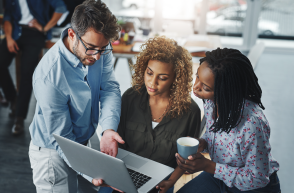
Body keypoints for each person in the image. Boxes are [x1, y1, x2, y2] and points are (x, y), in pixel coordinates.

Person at [29, 0, 125, 192]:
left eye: (103, 49)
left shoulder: (98, 45)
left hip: (83, 144)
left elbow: (109, 88)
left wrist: (107, 129)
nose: (97, 56)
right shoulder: (49, 77)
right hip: (53, 153)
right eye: (91, 48)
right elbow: (62, 138)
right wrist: (91, 172)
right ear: (72, 34)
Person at [156, 48, 280, 193]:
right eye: (197, 77)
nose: (195, 87)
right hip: (220, 176)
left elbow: (258, 178)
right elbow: (217, 137)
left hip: (252, 188)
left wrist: (209, 166)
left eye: (206, 87)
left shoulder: (252, 124)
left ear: (225, 91)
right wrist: (202, 143)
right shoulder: (211, 102)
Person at [99, 36, 202, 193]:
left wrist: (171, 182)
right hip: (124, 173)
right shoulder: (130, 98)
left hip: (161, 182)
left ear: (176, 79)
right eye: (149, 73)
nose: (152, 83)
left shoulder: (191, 112)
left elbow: (186, 159)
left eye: (162, 78)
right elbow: (116, 144)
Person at [0, 0, 68, 135]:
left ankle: (19, 118)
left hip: (34, 35)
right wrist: (8, 38)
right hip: (15, 32)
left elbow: (60, 8)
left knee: (27, 74)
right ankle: (13, 99)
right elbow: (7, 18)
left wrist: (45, 28)